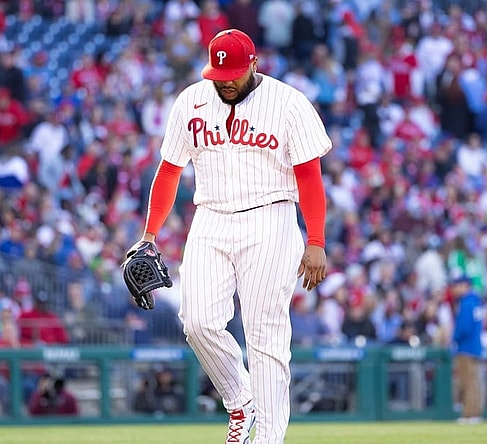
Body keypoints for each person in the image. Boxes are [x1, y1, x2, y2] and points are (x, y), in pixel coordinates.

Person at [130, 29, 331, 444]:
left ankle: (269, 438)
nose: (224, 81)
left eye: (233, 74)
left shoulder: (288, 104)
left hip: (271, 218)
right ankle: (241, 399)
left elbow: (309, 177)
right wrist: (148, 235)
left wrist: (316, 240)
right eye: (218, 72)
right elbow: (169, 171)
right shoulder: (192, 100)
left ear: (253, 65)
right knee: (197, 321)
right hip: (211, 218)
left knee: (265, 333)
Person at [451, 275, 484, 424]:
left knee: (468, 383)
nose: (455, 289)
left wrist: (454, 338)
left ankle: (469, 414)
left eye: (457, 285)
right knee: (474, 382)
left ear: (465, 285)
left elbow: (463, 328)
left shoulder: (467, 303)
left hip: (466, 348)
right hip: (475, 347)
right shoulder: (476, 302)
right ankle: (475, 412)